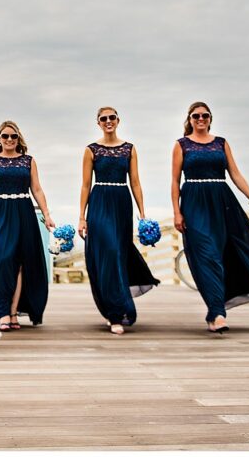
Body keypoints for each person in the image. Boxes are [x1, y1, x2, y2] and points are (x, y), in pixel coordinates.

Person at [172, 101, 249, 333]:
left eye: (205, 115)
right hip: (194, 203)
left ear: (210, 119)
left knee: (228, 252)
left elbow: (235, 173)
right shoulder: (182, 145)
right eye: (196, 116)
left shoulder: (221, 143)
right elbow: (174, 181)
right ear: (189, 120)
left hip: (222, 202)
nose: (201, 119)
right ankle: (217, 312)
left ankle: (216, 311)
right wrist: (176, 211)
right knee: (207, 254)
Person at [78, 107, 159, 335]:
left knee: (119, 255)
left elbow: (135, 182)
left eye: (111, 117)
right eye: (103, 119)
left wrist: (142, 214)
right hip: (100, 203)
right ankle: (115, 313)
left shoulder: (129, 149)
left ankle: (114, 306)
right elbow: (85, 185)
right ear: (98, 123)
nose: (108, 121)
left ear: (118, 120)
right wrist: (81, 217)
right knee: (110, 253)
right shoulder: (91, 150)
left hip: (122, 203)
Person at [0, 121, 55, 331]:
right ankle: (1, 310)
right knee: (2, 259)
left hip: (24, 211)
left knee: (20, 263)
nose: (9, 140)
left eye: (13, 136)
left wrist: (46, 215)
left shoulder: (28, 161)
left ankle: (12, 312)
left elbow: (37, 189)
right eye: (5, 136)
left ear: (19, 139)